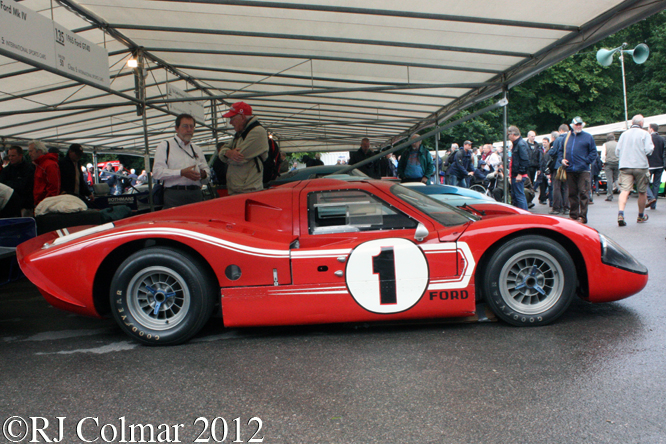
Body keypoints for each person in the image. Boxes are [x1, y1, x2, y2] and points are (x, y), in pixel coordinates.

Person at [153, 113, 210, 208]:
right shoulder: (165, 146)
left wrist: (203, 174)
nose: (189, 130)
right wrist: (181, 173)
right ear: (176, 128)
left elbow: (208, 175)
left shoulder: (197, 149)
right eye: (185, 126)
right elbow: (157, 173)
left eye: (192, 126)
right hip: (174, 195)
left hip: (195, 194)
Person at [218, 102, 268, 195]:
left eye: (232, 118)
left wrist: (226, 154)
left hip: (248, 190)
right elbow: (222, 151)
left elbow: (237, 159)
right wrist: (227, 153)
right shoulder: (241, 133)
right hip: (240, 189)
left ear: (242, 117)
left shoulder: (257, 132)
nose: (230, 122)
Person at [556, 117, 597, 224]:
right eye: (576, 124)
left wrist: (586, 161)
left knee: (584, 193)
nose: (578, 126)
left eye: (580, 124)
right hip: (570, 169)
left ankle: (582, 216)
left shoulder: (588, 137)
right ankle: (573, 215)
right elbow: (560, 151)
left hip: (583, 170)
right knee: (572, 193)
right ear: (572, 125)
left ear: (582, 125)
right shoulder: (566, 137)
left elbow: (594, 153)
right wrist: (562, 160)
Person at [616, 114, 654, 226]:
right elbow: (649, 150)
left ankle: (621, 213)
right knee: (642, 192)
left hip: (625, 166)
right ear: (642, 124)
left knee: (625, 190)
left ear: (632, 123)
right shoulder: (645, 134)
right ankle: (640, 216)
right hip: (640, 165)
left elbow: (617, 151)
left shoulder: (624, 134)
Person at [0, 145, 34, 216]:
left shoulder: (29, 168)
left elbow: (24, 186)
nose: (10, 158)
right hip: (9, 205)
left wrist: (9, 184)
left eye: (13, 156)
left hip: (25, 205)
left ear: (20, 156)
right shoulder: (6, 170)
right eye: (9, 156)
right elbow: (2, 184)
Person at [28, 140, 60, 207]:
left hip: (45, 204)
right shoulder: (40, 165)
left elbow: (53, 188)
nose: (29, 154)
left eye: (31, 151)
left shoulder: (49, 165)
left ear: (39, 151)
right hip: (40, 203)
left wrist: (45, 204)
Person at [506, 126, 530, 210]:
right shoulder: (518, 144)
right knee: (516, 196)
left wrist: (520, 173)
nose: (508, 137)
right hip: (516, 174)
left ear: (513, 134)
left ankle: (524, 215)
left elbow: (525, 160)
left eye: (508, 135)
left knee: (519, 196)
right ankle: (520, 214)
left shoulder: (520, 144)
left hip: (518, 175)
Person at [549, 126, 570, 215]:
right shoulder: (571, 139)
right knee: (566, 188)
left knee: (557, 187)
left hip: (558, 166)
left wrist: (551, 149)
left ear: (560, 130)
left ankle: (557, 208)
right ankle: (567, 208)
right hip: (568, 166)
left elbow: (552, 152)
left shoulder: (558, 140)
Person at [646, 123, 665, 209]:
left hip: (649, 165)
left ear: (651, 129)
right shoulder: (662, 139)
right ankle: (653, 205)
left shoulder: (648, 138)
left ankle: (651, 198)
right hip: (660, 165)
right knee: (656, 184)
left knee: (644, 183)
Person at [600, 133, 619, 201]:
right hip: (617, 163)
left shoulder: (605, 144)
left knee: (609, 180)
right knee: (617, 178)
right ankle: (622, 193)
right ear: (614, 138)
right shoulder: (618, 144)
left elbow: (603, 155)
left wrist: (604, 162)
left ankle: (610, 195)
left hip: (608, 164)